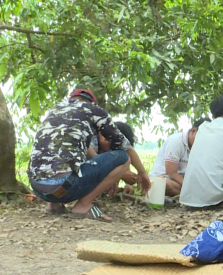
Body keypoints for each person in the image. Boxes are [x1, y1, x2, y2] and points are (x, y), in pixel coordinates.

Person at [27, 89, 151, 222]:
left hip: (38, 188)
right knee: (123, 158)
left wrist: (108, 173)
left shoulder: (55, 111)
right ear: (93, 103)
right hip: (64, 186)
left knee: (60, 160)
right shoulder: (92, 110)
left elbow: (86, 152)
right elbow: (126, 148)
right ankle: (83, 205)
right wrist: (143, 173)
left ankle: (53, 205)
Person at [149, 118, 208, 196]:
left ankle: (188, 194)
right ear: (193, 131)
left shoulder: (202, 147)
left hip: (181, 183)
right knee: (164, 184)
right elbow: (171, 172)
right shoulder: (175, 141)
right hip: (165, 178)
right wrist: (189, 187)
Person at [87, 121, 138, 195]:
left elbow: (124, 164)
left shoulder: (110, 150)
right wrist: (121, 174)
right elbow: (96, 165)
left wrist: (128, 184)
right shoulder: (91, 142)